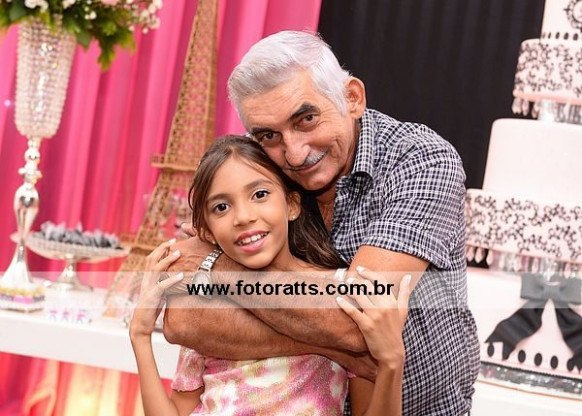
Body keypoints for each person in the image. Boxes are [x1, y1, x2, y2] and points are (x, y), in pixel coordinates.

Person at [163, 31, 480, 415]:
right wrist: (340, 350)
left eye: (307, 119)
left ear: (352, 98)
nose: (295, 154)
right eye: (270, 135)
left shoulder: (420, 160)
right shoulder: (257, 170)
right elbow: (183, 321)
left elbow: (356, 322)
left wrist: (214, 267)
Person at [130, 136, 410, 415]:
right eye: (221, 207)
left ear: (292, 205)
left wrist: (392, 363)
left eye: (260, 194)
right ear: (207, 231)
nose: (243, 217)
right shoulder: (206, 301)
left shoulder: (341, 292)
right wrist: (140, 336)